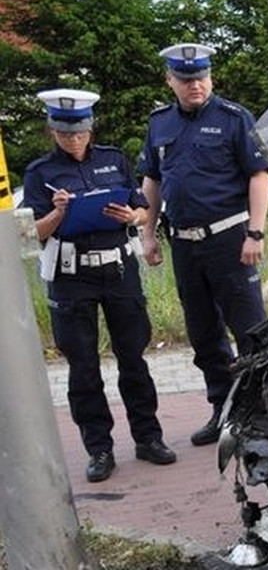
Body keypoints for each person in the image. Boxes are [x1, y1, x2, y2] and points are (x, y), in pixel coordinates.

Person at [22, 88, 176, 482]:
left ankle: (148, 437)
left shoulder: (113, 159)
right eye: (64, 133)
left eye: (80, 132)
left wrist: (133, 216)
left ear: (91, 128)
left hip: (118, 271)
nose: (74, 140)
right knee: (84, 367)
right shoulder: (40, 173)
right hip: (71, 277)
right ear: (52, 130)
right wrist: (58, 212)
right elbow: (34, 233)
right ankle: (99, 449)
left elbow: (142, 210)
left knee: (134, 359)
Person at [138, 43, 268, 446]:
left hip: (231, 239)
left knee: (249, 331)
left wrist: (255, 232)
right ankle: (222, 407)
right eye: (185, 78)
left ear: (210, 77)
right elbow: (152, 181)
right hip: (184, 244)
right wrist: (148, 234)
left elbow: (259, 175)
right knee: (204, 333)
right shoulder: (160, 123)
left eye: (201, 77)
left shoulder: (234, 118)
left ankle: (262, 411)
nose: (194, 85)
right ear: (170, 81)